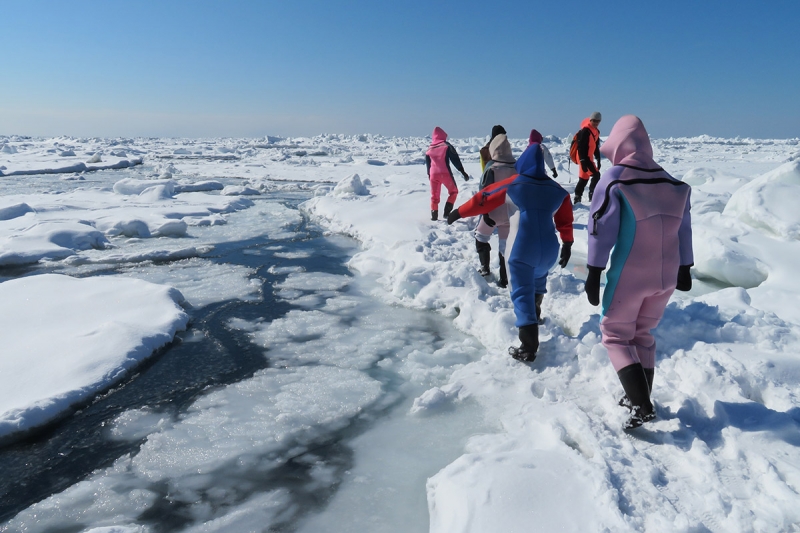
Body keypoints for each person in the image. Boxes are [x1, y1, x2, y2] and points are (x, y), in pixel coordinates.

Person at [585, 115, 693, 429]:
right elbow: (684, 230)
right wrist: (686, 266)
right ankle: (639, 396)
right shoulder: (674, 184)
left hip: (632, 272)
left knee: (615, 335)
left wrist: (594, 271)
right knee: (642, 336)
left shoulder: (616, 179)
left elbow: (599, 227)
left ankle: (642, 405)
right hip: (667, 274)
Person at [448, 142, 574, 362]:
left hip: (523, 247)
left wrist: (458, 212)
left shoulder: (514, 184)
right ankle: (537, 316)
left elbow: (483, 200)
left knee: (521, 291)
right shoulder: (558, 190)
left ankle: (528, 346)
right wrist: (568, 243)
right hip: (550, 250)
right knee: (537, 280)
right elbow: (565, 220)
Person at [473, 133, 516, 287]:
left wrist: (484, 212)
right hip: (510, 214)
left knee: (480, 237)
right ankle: (505, 280)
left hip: (493, 213)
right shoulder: (517, 167)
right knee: (505, 247)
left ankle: (485, 268)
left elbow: (484, 192)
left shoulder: (492, 167)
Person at [426, 127, 470, 221]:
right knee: (453, 192)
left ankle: (434, 216)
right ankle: (446, 213)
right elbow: (455, 159)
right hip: (445, 173)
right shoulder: (446, 145)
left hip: (433, 175)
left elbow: (428, 164)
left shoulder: (429, 148)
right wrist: (462, 171)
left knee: (434, 196)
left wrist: (429, 175)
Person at [573, 112, 602, 204]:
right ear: (590, 120)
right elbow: (580, 147)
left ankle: (577, 197)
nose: (596, 122)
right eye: (594, 120)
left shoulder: (596, 131)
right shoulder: (585, 131)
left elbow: (595, 146)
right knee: (596, 175)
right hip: (584, 158)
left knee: (584, 178)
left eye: (598, 121)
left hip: (589, 158)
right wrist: (582, 160)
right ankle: (592, 195)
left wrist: (598, 158)